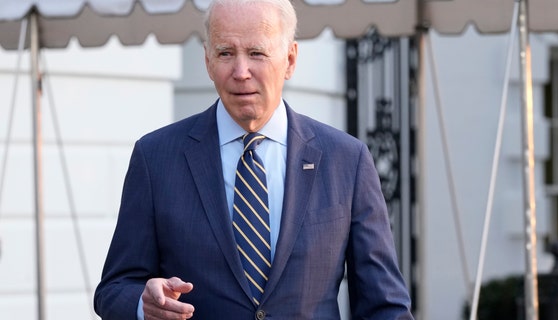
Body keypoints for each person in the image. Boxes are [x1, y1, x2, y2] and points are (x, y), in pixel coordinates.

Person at [93, 0, 413, 319]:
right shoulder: (156, 159)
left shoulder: (346, 161)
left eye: (256, 53)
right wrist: (142, 305)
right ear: (207, 60)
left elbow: (384, 306)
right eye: (225, 53)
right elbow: (113, 290)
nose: (241, 72)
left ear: (289, 60)